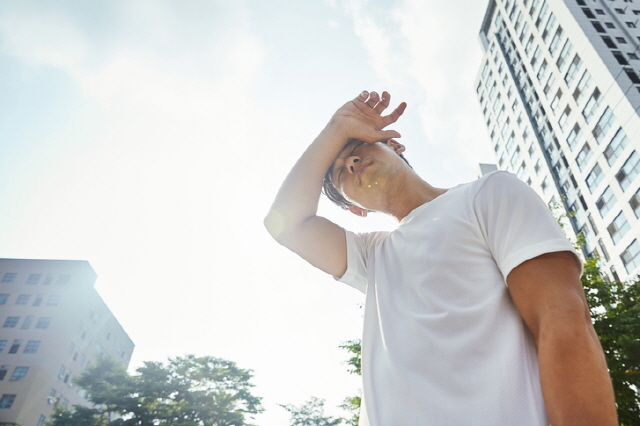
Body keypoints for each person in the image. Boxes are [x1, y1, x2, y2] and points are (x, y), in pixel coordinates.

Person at [264, 90, 617, 426]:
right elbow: (286, 224)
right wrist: (338, 128)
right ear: (356, 209)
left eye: (357, 147)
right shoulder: (370, 256)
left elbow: (561, 318)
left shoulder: (489, 193)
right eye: (340, 171)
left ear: (395, 147)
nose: (351, 161)